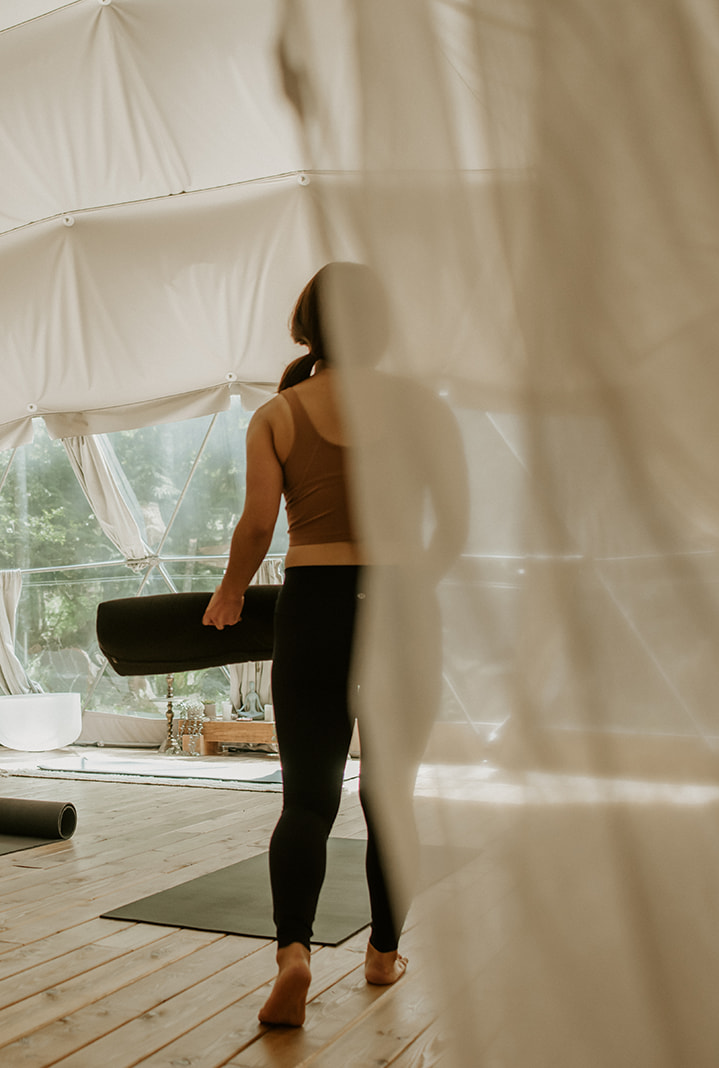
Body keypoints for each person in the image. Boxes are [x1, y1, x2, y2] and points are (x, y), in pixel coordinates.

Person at [203, 262, 467, 1026]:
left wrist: (228, 592)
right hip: (403, 604)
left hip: (313, 605)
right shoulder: (423, 408)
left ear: (306, 325)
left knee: (308, 799)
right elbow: (454, 524)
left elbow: (257, 524)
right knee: (391, 796)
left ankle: (294, 954)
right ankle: (382, 956)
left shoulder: (280, 413)